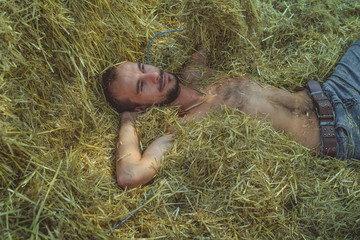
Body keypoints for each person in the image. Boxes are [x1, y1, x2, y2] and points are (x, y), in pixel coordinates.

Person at [102, 38, 360, 189]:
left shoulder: (197, 71)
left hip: (336, 87)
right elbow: (130, 174)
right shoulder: (186, 127)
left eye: (142, 67)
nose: (152, 75)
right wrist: (127, 118)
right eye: (141, 85)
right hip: (343, 133)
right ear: (140, 106)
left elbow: (217, 22)